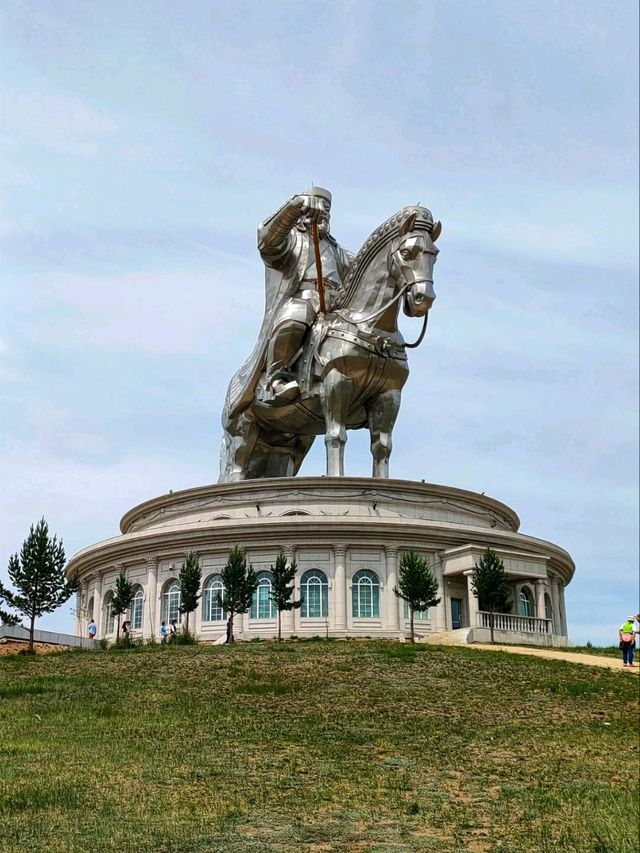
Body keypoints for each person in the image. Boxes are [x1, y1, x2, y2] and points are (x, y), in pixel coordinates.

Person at [224, 187, 353, 417]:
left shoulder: (337, 251)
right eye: (318, 205)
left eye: (327, 209)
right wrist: (294, 206)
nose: (322, 212)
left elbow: (363, 269)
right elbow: (267, 240)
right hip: (304, 297)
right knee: (296, 316)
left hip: (336, 307)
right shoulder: (293, 240)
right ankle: (276, 378)